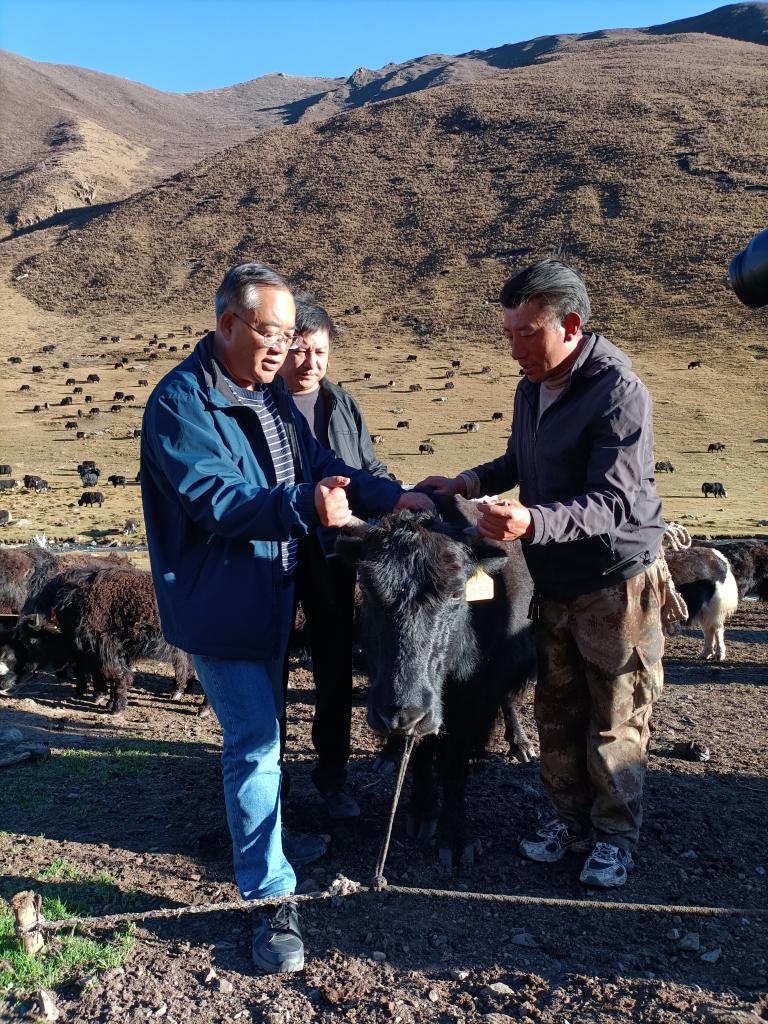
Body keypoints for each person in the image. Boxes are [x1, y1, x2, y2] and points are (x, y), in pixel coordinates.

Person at [140, 262, 433, 973]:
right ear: (227, 324)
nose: (282, 347)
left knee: (265, 731)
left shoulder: (267, 396)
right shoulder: (181, 404)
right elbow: (218, 500)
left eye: (289, 334)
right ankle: (268, 898)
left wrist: (392, 496)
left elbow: (321, 461)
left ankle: (267, 844)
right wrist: (305, 505)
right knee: (255, 743)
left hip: (267, 599)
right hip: (221, 605)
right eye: (270, 332)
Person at [418, 258, 670, 889]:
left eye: (527, 334)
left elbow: (613, 500)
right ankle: (569, 820)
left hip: (614, 579)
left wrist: (531, 521)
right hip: (553, 578)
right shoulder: (532, 386)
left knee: (614, 713)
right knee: (557, 708)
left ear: (571, 325)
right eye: (509, 335)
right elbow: (519, 459)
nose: (515, 350)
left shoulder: (618, 392)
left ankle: (613, 837)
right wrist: (468, 482)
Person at [278, 296, 390, 820]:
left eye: (320, 352)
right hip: (277, 552)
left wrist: (398, 496)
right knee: (270, 665)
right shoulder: (261, 403)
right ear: (283, 348)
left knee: (334, 664)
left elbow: (367, 467)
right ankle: (271, 780)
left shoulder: (342, 405)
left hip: (336, 557)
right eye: (300, 350)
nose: (310, 362)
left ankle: (332, 775)